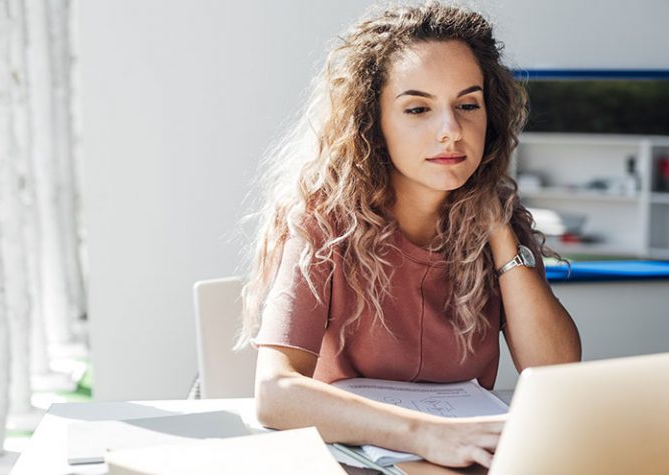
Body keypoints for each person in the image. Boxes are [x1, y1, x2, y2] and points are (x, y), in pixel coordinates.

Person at [237, 2, 581, 469]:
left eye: (467, 105)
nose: (451, 131)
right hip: (354, 462)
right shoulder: (323, 223)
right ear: (372, 123)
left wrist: (499, 231)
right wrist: (427, 435)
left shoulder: (502, 218)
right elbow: (275, 394)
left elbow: (557, 374)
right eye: (418, 108)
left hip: (468, 461)